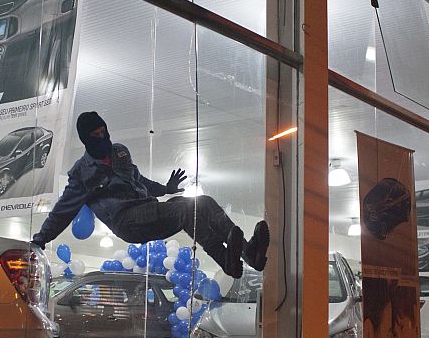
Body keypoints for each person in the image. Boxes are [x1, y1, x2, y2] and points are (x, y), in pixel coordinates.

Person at [31, 111, 269, 278]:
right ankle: (226, 259)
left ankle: (250, 255)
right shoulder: (82, 173)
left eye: (104, 131)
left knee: (203, 203)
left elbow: (138, 180)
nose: (102, 137)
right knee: (185, 211)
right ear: (86, 139)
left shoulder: (120, 152)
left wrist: (165, 189)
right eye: (96, 135)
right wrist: (40, 240)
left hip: (147, 209)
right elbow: (63, 211)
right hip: (126, 221)